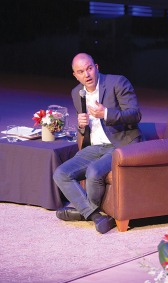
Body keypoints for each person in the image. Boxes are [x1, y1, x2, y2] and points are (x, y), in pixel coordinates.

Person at [53, 53, 143, 234]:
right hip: (94, 147)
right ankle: (95, 215)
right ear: (75, 75)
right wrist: (80, 126)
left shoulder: (117, 83)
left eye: (89, 68)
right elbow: (85, 132)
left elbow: (135, 114)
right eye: (81, 72)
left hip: (120, 144)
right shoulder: (76, 93)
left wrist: (107, 114)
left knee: (93, 172)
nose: (86, 74)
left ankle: (82, 212)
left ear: (96, 67)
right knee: (61, 173)